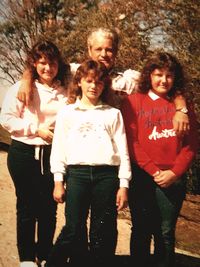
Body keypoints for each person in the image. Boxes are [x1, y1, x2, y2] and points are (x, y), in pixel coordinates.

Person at [17, 27, 189, 135]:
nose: (103, 54)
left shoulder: (129, 78)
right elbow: (45, 65)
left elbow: (164, 82)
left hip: (116, 145)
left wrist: (181, 108)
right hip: (80, 141)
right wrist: (26, 78)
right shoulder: (73, 72)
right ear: (89, 50)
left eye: (109, 50)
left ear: (116, 52)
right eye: (98, 49)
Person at [44, 59, 132, 267]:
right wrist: (58, 181)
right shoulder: (67, 113)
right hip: (78, 176)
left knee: (102, 230)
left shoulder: (113, 114)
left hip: (106, 177)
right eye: (89, 81)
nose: (94, 86)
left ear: (104, 86)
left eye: (99, 82)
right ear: (80, 82)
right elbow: (59, 149)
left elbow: (123, 152)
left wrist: (124, 185)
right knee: (73, 228)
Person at [121, 51, 199, 267]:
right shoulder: (134, 102)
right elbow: (132, 142)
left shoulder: (183, 107)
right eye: (158, 74)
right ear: (149, 75)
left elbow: (191, 144)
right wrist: (154, 171)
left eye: (169, 75)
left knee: (165, 231)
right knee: (141, 229)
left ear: (175, 78)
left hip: (173, 178)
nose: (163, 80)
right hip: (143, 176)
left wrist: (174, 173)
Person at [0, 40, 71, 267]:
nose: (47, 68)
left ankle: (44, 254)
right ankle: (27, 258)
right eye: (42, 63)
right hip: (24, 153)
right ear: (34, 64)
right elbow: (6, 119)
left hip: (53, 154)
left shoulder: (66, 88)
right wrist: (35, 130)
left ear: (59, 64)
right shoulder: (22, 87)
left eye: (52, 63)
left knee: (49, 208)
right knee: (27, 206)